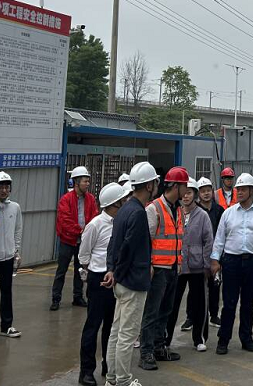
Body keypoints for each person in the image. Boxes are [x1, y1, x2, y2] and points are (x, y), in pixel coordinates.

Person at [104, 161, 159, 386]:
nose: (156, 186)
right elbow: (127, 248)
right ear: (149, 186)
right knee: (127, 336)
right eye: (155, 182)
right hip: (132, 283)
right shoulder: (137, 213)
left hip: (122, 282)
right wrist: (118, 272)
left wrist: (112, 270)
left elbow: (113, 244)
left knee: (116, 333)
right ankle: (123, 381)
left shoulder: (125, 209)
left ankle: (112, 379)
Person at [209, 172, 253, 354]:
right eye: (238, 189)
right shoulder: (228, 213)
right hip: (231, 261)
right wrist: (215, 260)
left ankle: (246, 338)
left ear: (252, 191)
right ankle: (223, 340)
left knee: (247, 303)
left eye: (243, 189)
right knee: (229, 303)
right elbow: (219, 239)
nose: (239, 192)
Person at [78, 181, 131, 386]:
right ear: (112, 205)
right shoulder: (95, 225)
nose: (124, 205)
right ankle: (86, 371)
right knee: (93, 325)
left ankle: (109, 365)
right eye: (122, 202)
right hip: (98, 279)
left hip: (116, 278)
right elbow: (84, 255)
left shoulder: (122, 224)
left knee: (112, 326)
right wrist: (95, 273)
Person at [138, 166, 188, 371]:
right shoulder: (154, 209)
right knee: (152, 312)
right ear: (176, 186)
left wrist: (178, 263)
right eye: (184, 186)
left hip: (173, 268)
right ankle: (146, 352)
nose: (187, 190)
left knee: (165, 310)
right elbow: (146, 240)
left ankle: (159, 347)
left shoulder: (178, 209)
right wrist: (149, 265)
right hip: (158, 269)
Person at [166, 178, 214, 353]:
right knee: (171, 304)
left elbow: (208, 241)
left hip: (197, 266)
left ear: (194, 194)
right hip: (178, 265)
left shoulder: (202, 215)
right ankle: (166, 339)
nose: (186, 196)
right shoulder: (175, 212)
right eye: (184, 193)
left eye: (189, 193)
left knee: (200, 303)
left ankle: (199, 339)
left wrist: (207, 264)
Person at [52, 166, 99, 311]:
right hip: (68, 241)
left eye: (88, 181)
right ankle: (56, 298)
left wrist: (88, 232)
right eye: (85, 181)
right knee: (61, 270)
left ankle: (78, 297)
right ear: (77, 182)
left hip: (82, 241)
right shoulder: (66, 200)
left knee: (81, 271)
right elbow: (65, 220)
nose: (87, 184)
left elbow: (94, 216)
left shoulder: (90, 199)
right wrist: (80, 230)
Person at [0, 171, 23, 339]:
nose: (4, 190)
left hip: (7, 258)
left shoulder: (15, 207)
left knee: (6, 293)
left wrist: (16, 251)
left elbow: (17, 230)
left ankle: (6, 326)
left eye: (6, 187)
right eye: (0, 187)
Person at [197, 176, 225, 326]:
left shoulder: (219, 210)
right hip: (198, 254)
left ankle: (214, 315)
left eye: (208, 190)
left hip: (215, 254)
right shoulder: (195, 210)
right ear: (199, 193)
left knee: (215, 285)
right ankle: (192, 317)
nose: (206, 193)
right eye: (203, 191)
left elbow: (223, 232)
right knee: (197, 288)